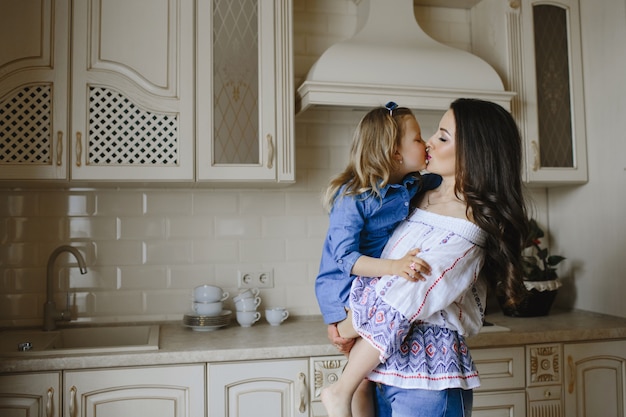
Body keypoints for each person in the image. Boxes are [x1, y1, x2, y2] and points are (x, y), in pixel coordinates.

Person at [322, 98, 529, 417]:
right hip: (380, 374)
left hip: (427, 384)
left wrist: (347, 327)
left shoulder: (469, 228)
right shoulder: (415, 196)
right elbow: (373, 265)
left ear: (476, 154)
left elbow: (405, 294)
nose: (429, 142)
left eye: (443, 137)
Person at [315, 102, 442, 417]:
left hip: (376, 282)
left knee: (367, 371)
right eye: (417, 138)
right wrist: (395, 268)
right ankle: (340, 398)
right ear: (394, 152)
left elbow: (450, 180)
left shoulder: (412, 184)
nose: (426, 143)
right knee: (360, 379)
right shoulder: (353, 196)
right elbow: (345, 258)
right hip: (345, 285)